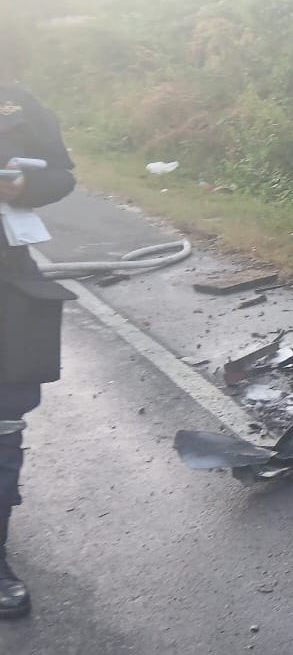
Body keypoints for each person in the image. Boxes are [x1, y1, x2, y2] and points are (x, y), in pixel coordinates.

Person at [0, 41, 76, 619]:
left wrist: (26, 188)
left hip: (5, 282)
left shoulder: (17, 102)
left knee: (2, 421)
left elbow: (61, 173)